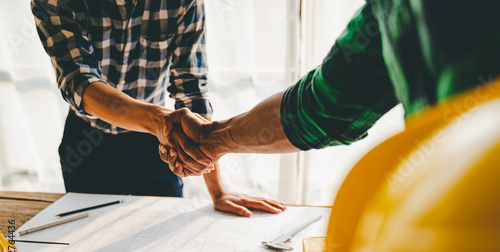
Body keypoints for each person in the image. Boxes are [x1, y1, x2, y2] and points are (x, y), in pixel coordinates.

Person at [158, 1, 500, 175]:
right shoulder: (391, 9)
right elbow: (320, 107)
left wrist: (208, 142)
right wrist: (211, 140)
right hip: (456, 229)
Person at [31, 0, 285, 217]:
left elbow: (191, 88)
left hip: (158, 146)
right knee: (83, 244)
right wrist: (160, 120)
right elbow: (79, 80)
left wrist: (218, 191)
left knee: (157, 243)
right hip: (87, 145)